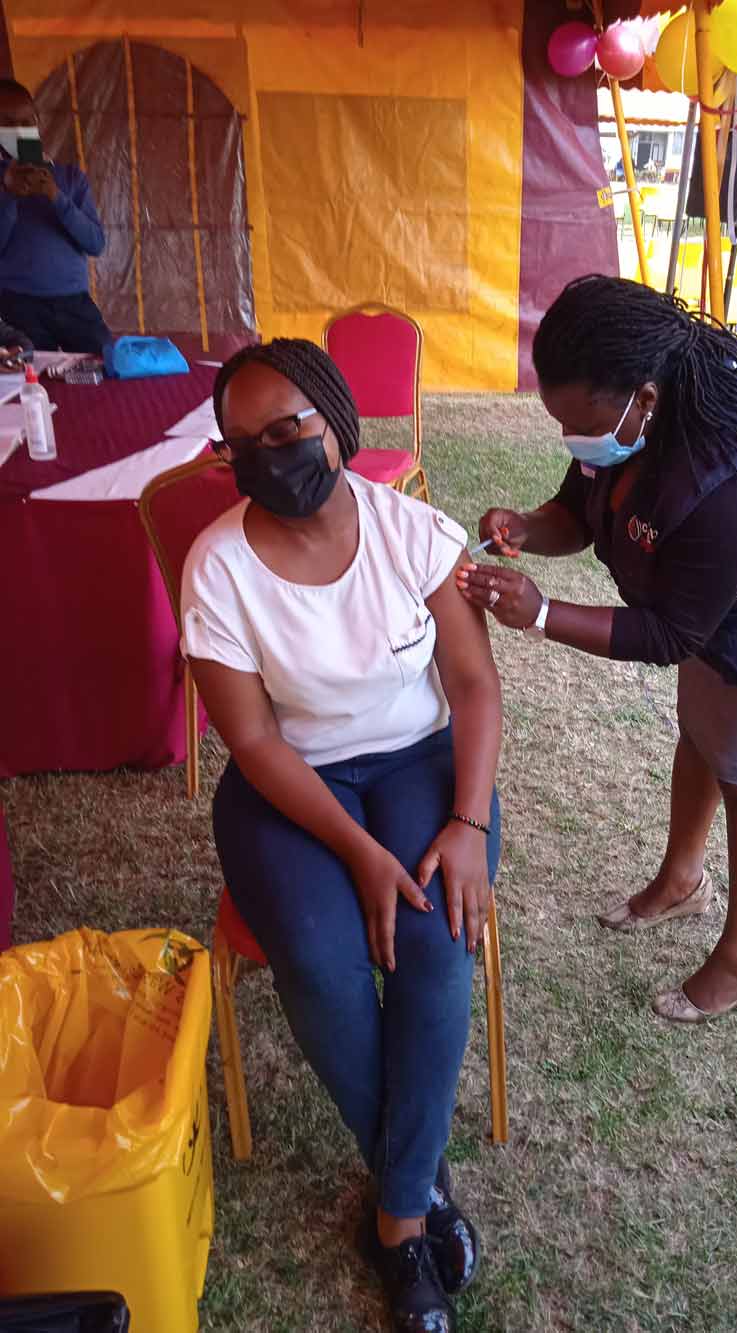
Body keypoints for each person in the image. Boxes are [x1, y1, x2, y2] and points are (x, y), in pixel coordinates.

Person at [457, 275, 737, 1024]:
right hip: (731, 583)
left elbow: (672, 632)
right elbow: (582, 504)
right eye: (561, 421)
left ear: (645, 398)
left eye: (579, 422)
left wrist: (539, 616)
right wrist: (532, 526)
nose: (574, 439)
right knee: (699, 726)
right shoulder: (633, 404)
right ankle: (683, 879)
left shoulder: (733, 467)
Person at [181, 339, 502, 1333]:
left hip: (419, 763)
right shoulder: (218, 567)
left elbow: (475, 684)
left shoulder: (414, 532)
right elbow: (253, 740)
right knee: (318, 962)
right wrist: (360, 854)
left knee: (434, 945)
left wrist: (465, 820)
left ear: (337, 419)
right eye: (245, 444)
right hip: (287, 784)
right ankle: (416, 1181)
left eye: (290, 429)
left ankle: (399, 1218)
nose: (271, 454)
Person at [0, 79, 111, 353]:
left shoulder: (70, 177)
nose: (19, 130)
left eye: (27, 121)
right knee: (31, 376)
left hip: (75, 302)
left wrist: (56, 196)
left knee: (106, 365)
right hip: (16, 304)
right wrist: (9, 195)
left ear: (38, 122)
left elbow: (95, 243)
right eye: (7, 122)